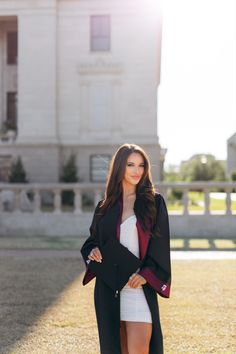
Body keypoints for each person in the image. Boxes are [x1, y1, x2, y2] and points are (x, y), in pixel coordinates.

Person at [80, 143, 171, 354]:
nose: (136, 170)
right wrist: (92, 252)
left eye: (141, 165)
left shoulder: (153, 203)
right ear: (120, 167)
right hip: (110, 291)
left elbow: (161, 246)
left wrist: (147, 275)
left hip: (138, 288)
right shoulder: (105, 206)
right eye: (130, 164)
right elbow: (92, 242)